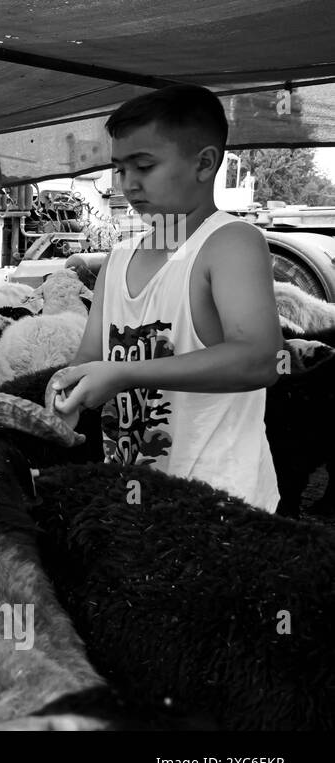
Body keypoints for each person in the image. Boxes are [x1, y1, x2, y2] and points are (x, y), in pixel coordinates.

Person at [48, 84, 281, 512]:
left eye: (144, 166)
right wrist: (66, 393)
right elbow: (87, 362)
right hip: (133, 500)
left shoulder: (230, 243)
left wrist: (124, 374)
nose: (128, 184)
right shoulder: (117, 260)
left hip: (221, 508)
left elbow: (259, 359)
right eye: (119, 169)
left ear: (204, 163)